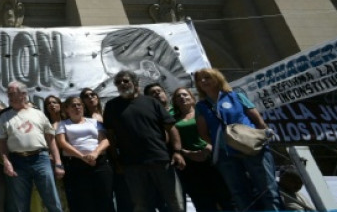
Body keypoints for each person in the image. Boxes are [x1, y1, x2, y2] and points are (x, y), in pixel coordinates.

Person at [194, 67, 281, 211]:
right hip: (226, 156)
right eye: (199, 80)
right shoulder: (201, 106)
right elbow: (203, 133)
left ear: (217, 78)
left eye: (207, 77)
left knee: (267, 189)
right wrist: (223, 144)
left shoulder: (236, 96)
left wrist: (259, 141)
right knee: (240, 194)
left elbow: (259, 122)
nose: (203, 81)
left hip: (252, 149)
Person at [102, 70, 185, 212]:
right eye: (118, 82)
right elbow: (110, 136)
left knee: (174, 201)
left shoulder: (152, 102)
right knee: (141, 205)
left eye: (126, 81)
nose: (122, 84)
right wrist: (116, 161)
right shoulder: (111, 106)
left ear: (135, 83)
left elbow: (171, 128)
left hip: (160, 160)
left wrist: (177, 151)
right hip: (132, 164)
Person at [0, 81, 64, 212]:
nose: (9, 96)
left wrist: (58, 163)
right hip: (17, 161)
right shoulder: (4, 116)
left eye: (12, 93)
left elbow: (51, 139)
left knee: (52, 200)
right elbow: (2, 143)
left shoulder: (38, 113)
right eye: (8, 94)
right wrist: (6, 162)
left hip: (41, 159)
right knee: (20, 205)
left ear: (23, 94)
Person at [169, 87, 231, 212]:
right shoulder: (172, 120)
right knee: (201, 200)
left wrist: (209, 148)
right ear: (175, 102)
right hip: (189, 163)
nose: (182, 97)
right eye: (178, 96)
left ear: (192, 97)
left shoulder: (204, 112)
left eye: (185, 95)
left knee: (224, 195)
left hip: (212, 158)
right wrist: (186, 153)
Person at [55, 95, 113, 212]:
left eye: (79, 105)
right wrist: (82, 157)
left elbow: (105, 140)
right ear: (67, 109)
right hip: (76, 165)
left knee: (105, 198)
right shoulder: (63, 124)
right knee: (83, 201)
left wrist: (95, 153)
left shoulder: (94, 122)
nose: (77, 107)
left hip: (99, 163)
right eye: (73, 105)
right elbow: (62, 143)